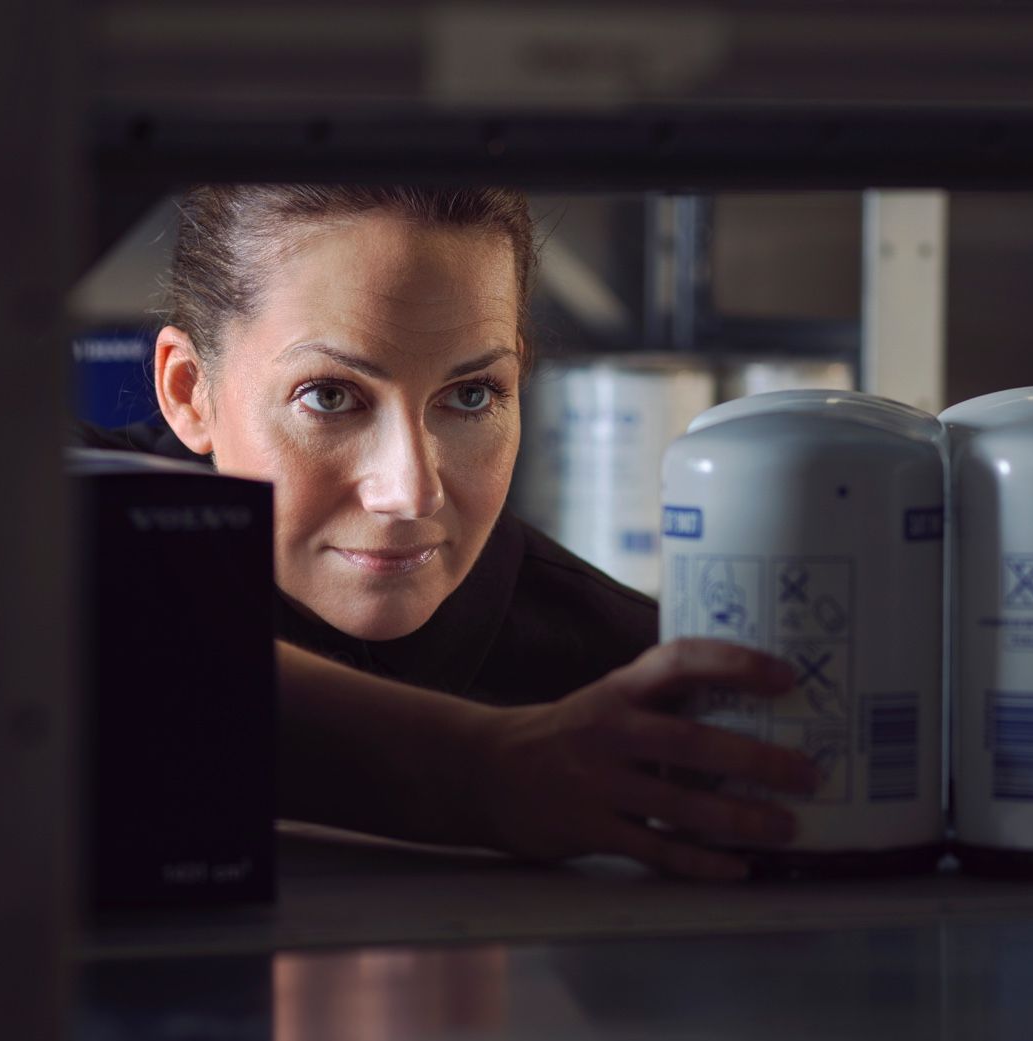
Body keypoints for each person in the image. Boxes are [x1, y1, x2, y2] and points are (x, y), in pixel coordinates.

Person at [83, 185, 817, 881]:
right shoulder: (42, 529)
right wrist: (482, 770)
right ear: (188, 391)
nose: (410, 491)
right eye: (330, 396)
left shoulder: (632, 702)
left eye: (471, 396)